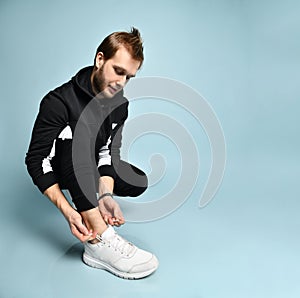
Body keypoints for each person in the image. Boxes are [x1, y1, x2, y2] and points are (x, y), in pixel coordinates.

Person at [25, 27, 159, 279]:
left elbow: (108, 152)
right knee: (77, 146)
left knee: (137, 181)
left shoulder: (120, 105)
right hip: (60, 166)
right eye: (118, 71)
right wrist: (68, 211)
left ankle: (93, 198)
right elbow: (36, 160)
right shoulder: (58, 102)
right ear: (100, 60)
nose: (121, 82)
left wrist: (105, 194)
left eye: (129, 77)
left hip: (89, 165)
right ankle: (98, 241)